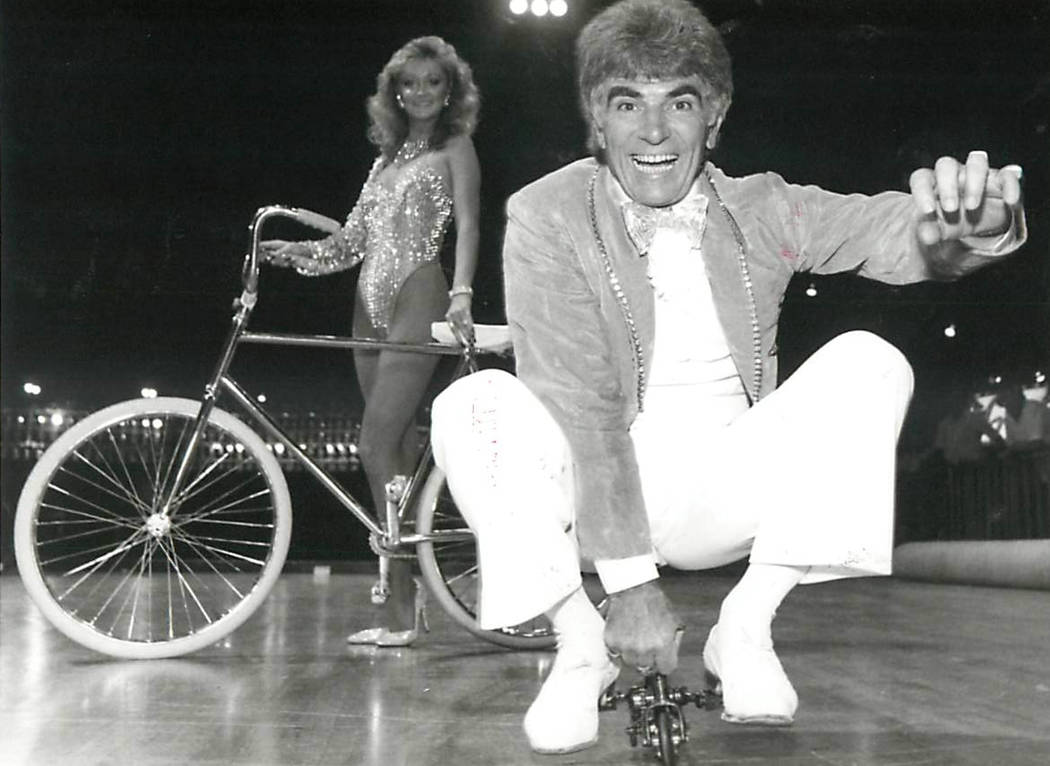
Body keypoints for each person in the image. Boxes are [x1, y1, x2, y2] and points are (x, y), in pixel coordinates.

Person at [429, 0, 1026, 755]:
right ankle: (580, 646)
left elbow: (888, 228)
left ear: (714, 117)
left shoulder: (763, 206)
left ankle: (744, 631)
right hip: (590, 496)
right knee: (472, 402)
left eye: (678, 102)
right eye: (627, 104)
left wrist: (969, 230)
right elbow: (582, 406)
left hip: (721, 492)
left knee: (871, 362)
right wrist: (629, 590)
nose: (652, 132)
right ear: (596, 118)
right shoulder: (546, 212)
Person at [262, 36, 482, 646]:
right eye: (408, 83)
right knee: (396, 456)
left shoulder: (455, 147)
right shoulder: (385, 160)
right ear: (393, 91)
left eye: (433, 83)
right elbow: (352, 241)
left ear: (450, 90)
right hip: (367, 302)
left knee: (374, 442)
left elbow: (468, 225)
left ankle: (401, 602)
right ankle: (409, 603)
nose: (420, 94)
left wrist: (461, 293)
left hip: (420, 291)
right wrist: (299, 253)